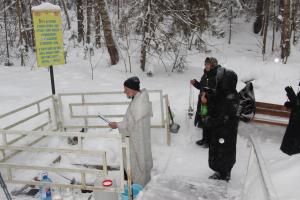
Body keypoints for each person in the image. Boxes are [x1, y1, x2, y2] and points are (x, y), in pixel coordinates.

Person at [193, 57, 239, 181]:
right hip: (221, 133)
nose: (219, 82)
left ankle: (223, 173)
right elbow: (217, 98)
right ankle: (221, 171)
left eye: (221, 81)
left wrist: (210, 121)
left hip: (225, 134)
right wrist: (208, 97)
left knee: (223, 153)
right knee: (219, 153)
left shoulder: (231, 98)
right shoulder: (226, 93)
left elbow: (224, 117)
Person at [108, 76, 153, 187]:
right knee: (141, 165)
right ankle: (141, 186)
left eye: (126, 89)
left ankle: (138, 189)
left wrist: (116, 125)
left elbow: (128, 126)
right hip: (140, 140)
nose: (124, 92)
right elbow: (131, 123)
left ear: (133, 89)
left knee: (137, 167)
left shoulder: (137, 105)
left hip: (136, 143)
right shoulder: (140, 100)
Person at [190, 57, 216, 148]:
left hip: (211, 103)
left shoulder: (215, 76)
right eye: (205, 63)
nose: (206, 65)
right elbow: (202, 87)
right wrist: (195, 83)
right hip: (203, 102)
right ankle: (204, 139)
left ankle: (210, 142)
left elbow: (216, 92)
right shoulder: (205, 75)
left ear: (213, 65)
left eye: (208, 64)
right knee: (204, 120)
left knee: (209, 122)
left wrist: (207, 98)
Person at [280, 83, 300, 155]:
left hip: (297, 124)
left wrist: (291, 96)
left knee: (294, 146)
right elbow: (296, 105)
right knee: (288, 145)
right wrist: (290, 104)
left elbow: (297, 106)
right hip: (294, 122)